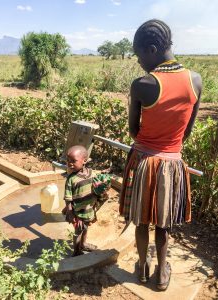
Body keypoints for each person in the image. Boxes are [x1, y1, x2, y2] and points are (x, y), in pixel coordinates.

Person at [119, 19, 202, 291]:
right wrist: (168, 144)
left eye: (139, 55)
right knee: (163, 224)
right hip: (171, 163)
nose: (139, 61)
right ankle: (162, 273)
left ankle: (142, 266)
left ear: (152, 49)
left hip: (143, 162)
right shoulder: (195, 81)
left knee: (142, 220)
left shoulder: (142, 84)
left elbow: (133, 130)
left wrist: (150, 141)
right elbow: (186, 132)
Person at [62, 145, 111, 256]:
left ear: (84, 161)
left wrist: (103, 184)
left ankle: (83, 244)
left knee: (86, 227)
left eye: (73, 161)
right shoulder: (71, 179)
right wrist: (69, 211)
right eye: (68, 161)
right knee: (78, 231)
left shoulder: (92, 174)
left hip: (89, 209)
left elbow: (98, 186)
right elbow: (68, 197)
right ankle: (76, 251)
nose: (70, 164)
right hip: (78, 212)